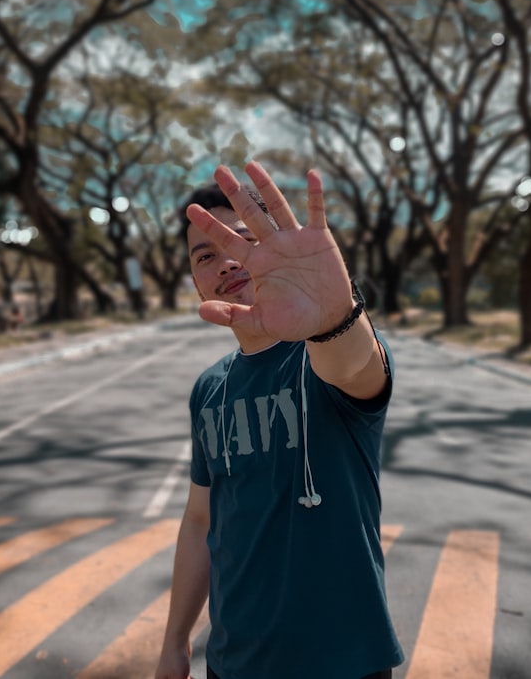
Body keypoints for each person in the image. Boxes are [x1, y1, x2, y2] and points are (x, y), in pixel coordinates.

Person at [155, 162, 404, 679]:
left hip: (345, 665)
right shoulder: (210, 388)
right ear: (197, 282)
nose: (224, 262)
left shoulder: (323, 356)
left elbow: (355, 365)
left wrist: (335, 318)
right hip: (233, 663)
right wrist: (174, 642)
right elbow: (202, 519)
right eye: (205, 255)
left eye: (243, 244)